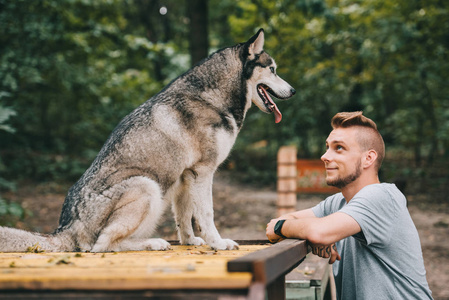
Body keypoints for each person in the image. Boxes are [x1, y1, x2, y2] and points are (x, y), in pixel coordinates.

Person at [266, 111, 433, 299]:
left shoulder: (382, 196)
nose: (324, 156)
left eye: (339, 148)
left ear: (368, 158)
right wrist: (305, 231)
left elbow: (313, 231)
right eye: (327, 147)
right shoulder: (338, 203)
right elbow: (272, 228)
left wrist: (297, 229)